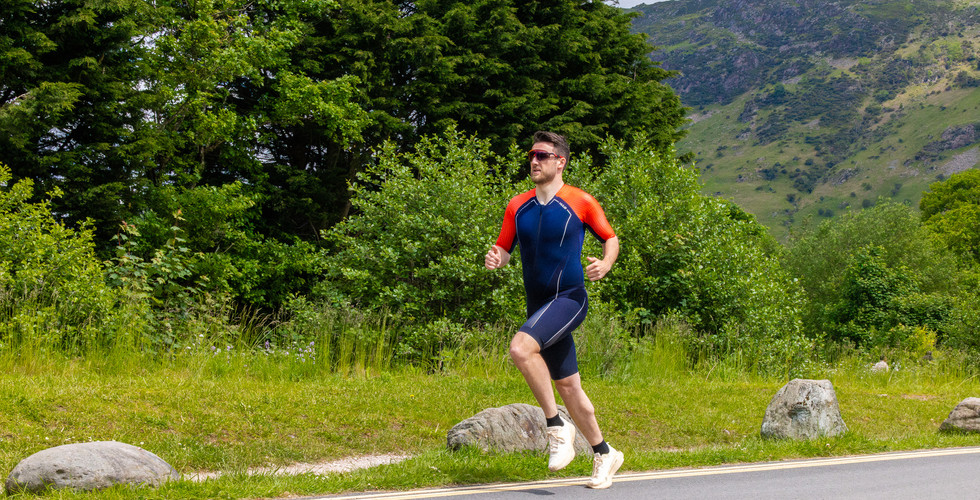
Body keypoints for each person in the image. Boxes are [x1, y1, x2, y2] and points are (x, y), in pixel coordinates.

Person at [485, 131, 623, 489]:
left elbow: (610, 237)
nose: (534, 161)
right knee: (568, 386)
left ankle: (556, 427)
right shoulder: (518, 205)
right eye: (532, 155)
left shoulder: (580, 201)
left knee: (520, 348)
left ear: (560, 162)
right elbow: (504, 248)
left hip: (570, 300)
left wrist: (606, 264)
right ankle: (605, 452)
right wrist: (496, 258)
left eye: (542, 155)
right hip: (539, 304)